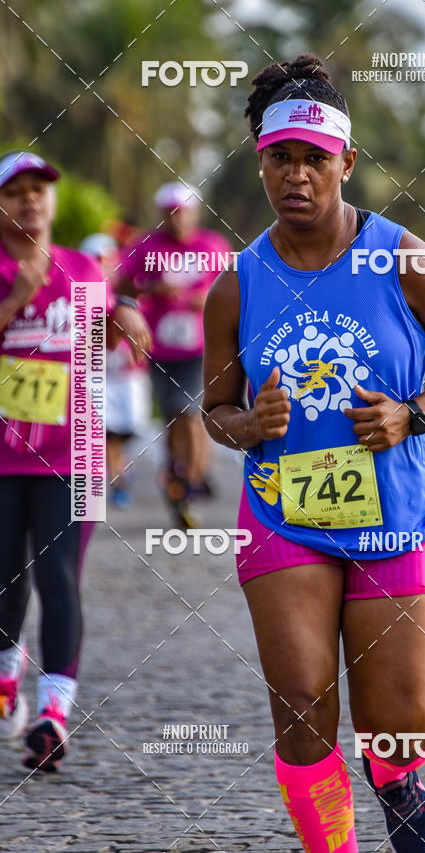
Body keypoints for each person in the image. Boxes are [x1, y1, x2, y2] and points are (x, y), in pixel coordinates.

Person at [202, 55, 425, 853]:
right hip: (284, 513)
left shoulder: (400, 257)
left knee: (397, 725)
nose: (296, 176)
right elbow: (214, 410)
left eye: (314, 159)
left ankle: (396, 780)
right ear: (260, 161)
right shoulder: (237, 283)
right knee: (301, 708)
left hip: (396, 512)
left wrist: (414, 412)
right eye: (280, 158)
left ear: (347, 163)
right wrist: (246, 424)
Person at [0, 151, 151, 771]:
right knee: (7, 582)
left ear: (53, 201)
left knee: (59, 580)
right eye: (15, 191)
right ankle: (7, 674)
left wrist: (126, 312)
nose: (29, 200)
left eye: (39, 189)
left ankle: (53, 716)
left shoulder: (83, 267)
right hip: (3, 459)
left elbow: (103, 331)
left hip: (76, 456)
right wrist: (16, 298)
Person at [117, 181, 230, 527]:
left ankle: (190, 485)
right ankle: (177, 479)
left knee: (189, 412)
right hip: (157, 349)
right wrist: (152, 287)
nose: (177, 219)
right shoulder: (146, 246)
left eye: (182, 212)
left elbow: (235, 287)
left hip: (200, 348)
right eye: (170, 213)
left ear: (195, 213)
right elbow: (120, 285)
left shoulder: (212, 245)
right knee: (172, 418)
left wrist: (208, 298)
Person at [80, 233, 151, 509]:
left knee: (132, 428)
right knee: (105, 432)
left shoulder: (130, 296)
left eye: (109, 260)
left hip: (130, 378)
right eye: (96, 260)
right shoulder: (80, 300)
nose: (104, 267)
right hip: (99, 378)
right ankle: (117, 481)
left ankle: (120, 464)